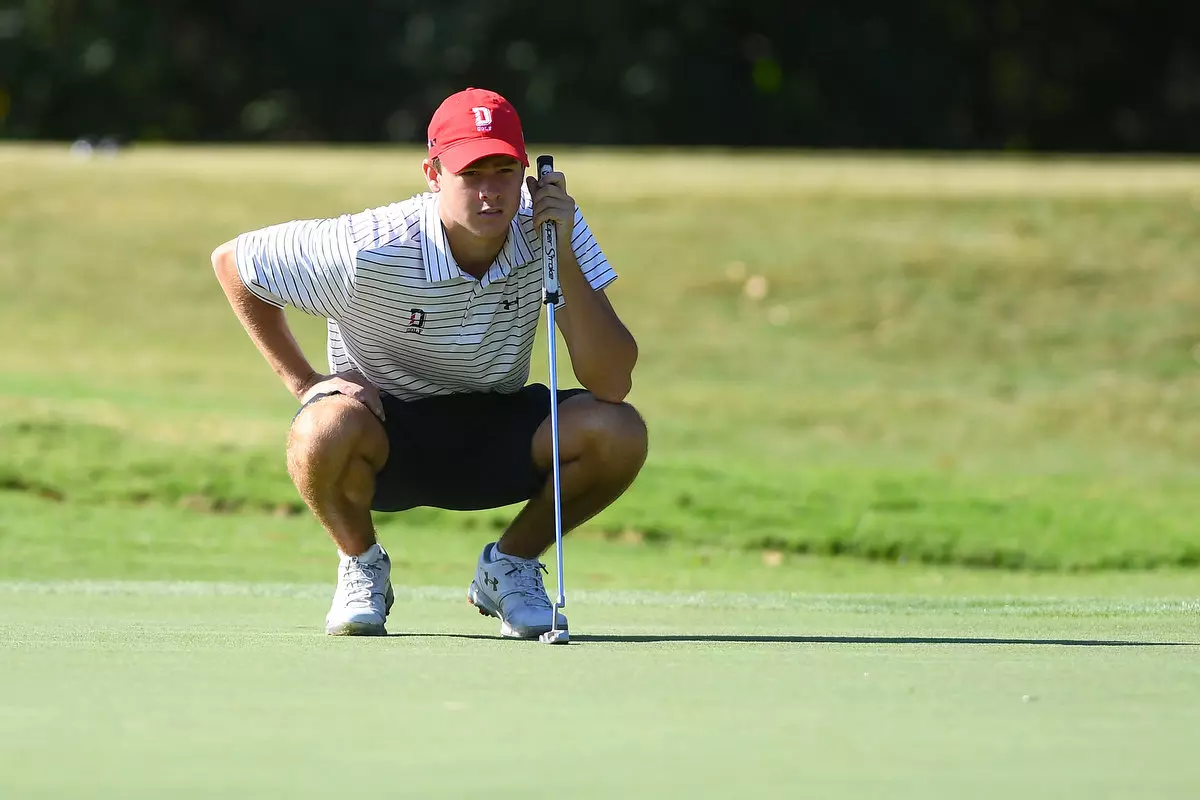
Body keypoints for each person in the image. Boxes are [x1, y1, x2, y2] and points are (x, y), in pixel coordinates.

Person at [210, 87, 648, 638]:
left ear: (526, 174)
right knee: (320, 429)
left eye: (503, 172)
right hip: (390, 431)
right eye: (471, 174)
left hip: (500, 425)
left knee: (619, 431)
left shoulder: (551, 227)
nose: (490, 193)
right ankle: (361, 564)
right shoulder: (369, 245)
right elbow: (233, 263)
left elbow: (612, 379)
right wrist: (308, 384)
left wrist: (559, 251)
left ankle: (509, 567)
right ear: (433, 172)